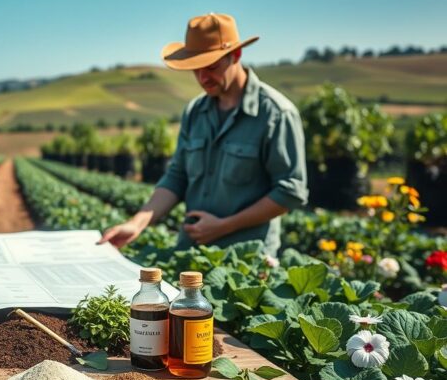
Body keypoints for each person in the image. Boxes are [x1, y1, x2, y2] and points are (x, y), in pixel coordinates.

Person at [99, 13, 308, 256]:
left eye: (211, 67)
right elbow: (177, 176)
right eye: (195, 70)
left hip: (246, 261)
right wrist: (137, 223)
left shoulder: (275, 114)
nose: (203, 78)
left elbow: (290, 192)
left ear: (236, 55)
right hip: (192, 251)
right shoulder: (195, 111)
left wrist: (224, 227)